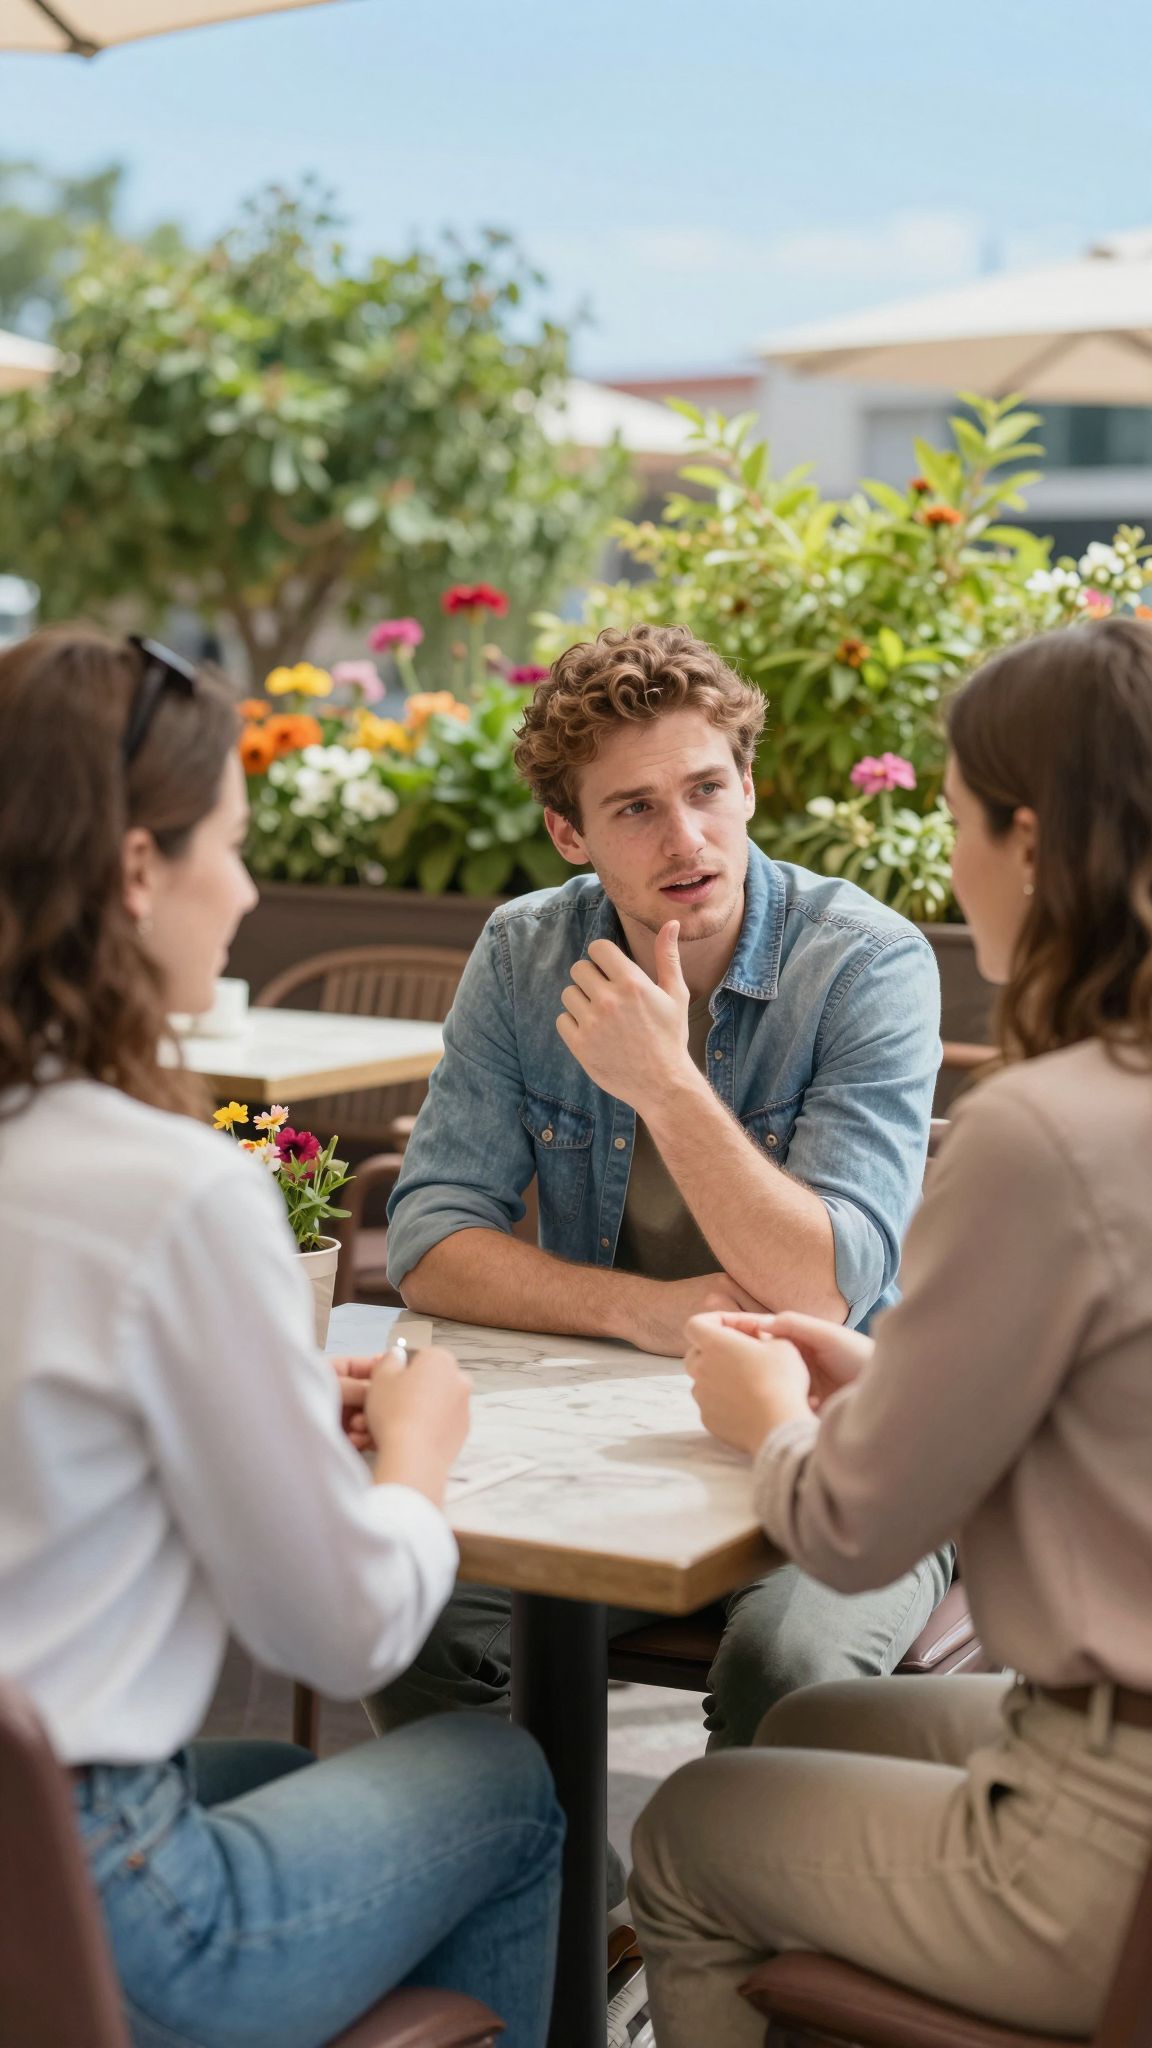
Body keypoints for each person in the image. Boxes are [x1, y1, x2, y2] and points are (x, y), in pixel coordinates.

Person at [0, 628, 563, 2048]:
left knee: (250, 1764)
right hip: (120, 1927)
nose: (249, 891)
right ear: (138, 870)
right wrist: (418, 1459)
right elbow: (340, 1621)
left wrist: (256, 1392)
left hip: (42, 1830)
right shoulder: (172, 1193)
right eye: (233, 849)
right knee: (503, 1782)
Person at [630, 615, 1152, 2045]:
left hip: (1100, 1834)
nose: (947, 846)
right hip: (1090, 1739)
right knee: (801, 1731)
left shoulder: (1045, 1129)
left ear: (1034, 845)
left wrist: (770, 1424)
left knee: (685, 1830)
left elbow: (852, 1532)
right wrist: (880, 1372)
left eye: (958, 812)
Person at [375, 624, 949, 1805]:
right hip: (606, 1434)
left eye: (705, 789)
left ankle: (717, 1938)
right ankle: (569, 1924)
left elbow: (826, 1285)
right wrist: (646, 1310)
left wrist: (666, 1080)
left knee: (787, 1659)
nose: (686, 839)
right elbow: (432, 1237)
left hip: (847, 1441)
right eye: (634, 809)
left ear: (749, 784)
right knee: (399, 1596)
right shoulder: (528, 951)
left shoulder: (865, 963)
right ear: (569, 834)